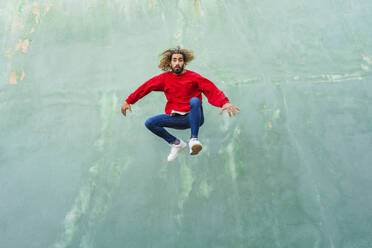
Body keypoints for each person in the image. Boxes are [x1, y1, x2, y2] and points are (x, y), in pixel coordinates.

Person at [121, 46, 239, 162]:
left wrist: (224, 103)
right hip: (177, 118)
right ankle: (176, 143)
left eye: (180, 60)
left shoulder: (194, 77)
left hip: (194, 117)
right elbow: (147, 86)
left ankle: (194, 139)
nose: (177, 63)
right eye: (174, 60)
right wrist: (129, 101)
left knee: (195, 101)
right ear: (170, 63)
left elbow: (211, 89)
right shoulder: (164, 78)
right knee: (150, 122)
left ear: (184, 63)